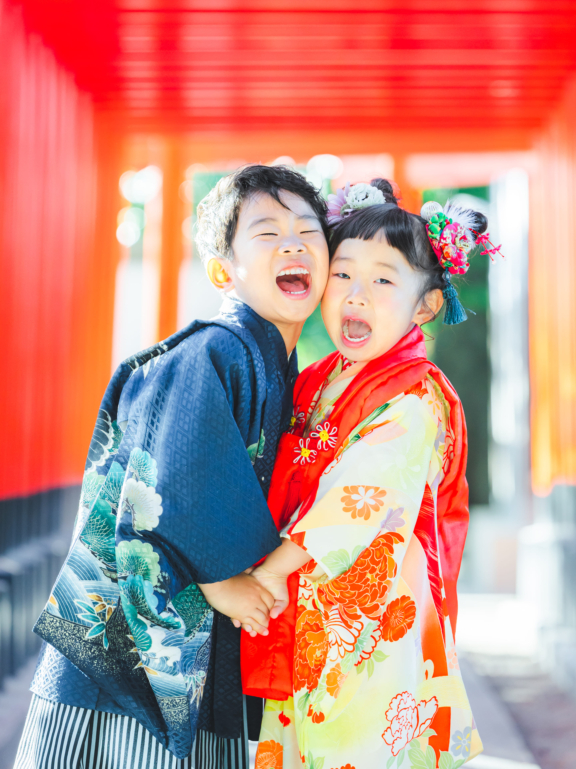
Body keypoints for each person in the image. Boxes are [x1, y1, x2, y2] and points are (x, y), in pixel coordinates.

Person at [15, 165, 330, 769]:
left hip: (186, 639)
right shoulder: (216, 348)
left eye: (308, 231)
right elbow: (171, 452)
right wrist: (219, 578)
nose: (292, 244)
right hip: (126, 641)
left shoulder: (271, 361)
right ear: (222, 271)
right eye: (267, 233)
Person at [241, 179, 496, 769]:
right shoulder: (319, 377)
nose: (357, 295)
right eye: (344, 274)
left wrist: (263, 578)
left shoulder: (414, 397)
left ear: (425, 305)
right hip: (307, 605)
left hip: (371, 622)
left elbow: (356, 500)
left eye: (383, 280)